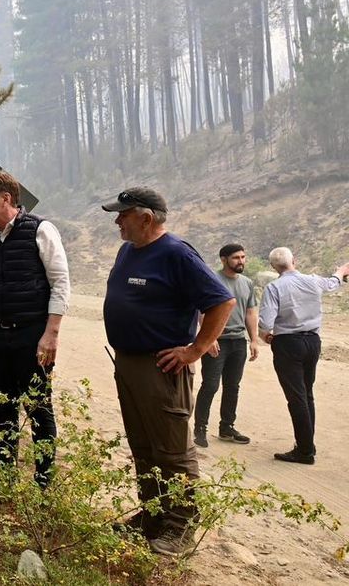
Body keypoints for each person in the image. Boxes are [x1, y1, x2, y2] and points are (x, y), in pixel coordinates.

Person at [101, 187, 234, 557]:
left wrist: (196, 349)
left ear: (146, 218)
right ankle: (153, 516)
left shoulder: (176, 253)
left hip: (161, 367)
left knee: (172, 450)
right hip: (128, 362)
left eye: (123, 214)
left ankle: (181, 526)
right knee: (143, 446)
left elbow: (222, 301)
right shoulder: (128, 250)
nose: (117, 221)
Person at [0, 171, 70, 489]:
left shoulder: (40, 230)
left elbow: (60, 283)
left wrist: (51, 334)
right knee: (4, 407)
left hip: (31, 335)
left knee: (38, 408)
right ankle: (6, 481)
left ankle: (43, 485)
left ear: (6, 198)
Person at [257, 247, 349, 465]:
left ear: (273, 267)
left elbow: (266, 322)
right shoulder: (313, 281)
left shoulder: (274, 288)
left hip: (288, 344)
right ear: (294, 261)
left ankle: (305, 451)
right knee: (307, 394)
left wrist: (264, 335)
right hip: (313, 342)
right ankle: (306, 444)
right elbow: (333, 283)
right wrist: (341, 271)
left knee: (296, 397)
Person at [193, 243, 259, 448]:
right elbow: (201, 311)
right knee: (211, 385)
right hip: (217, 341)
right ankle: (200, 428)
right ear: (224, 259)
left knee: (232, 386)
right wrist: (209, 338)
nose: (241, 261)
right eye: (236, 258)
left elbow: (250, 312)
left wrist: (254, 340)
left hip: (238, 341)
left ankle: (227, 427)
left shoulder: (247, 283)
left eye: (243, 257)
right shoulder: (212, 279)